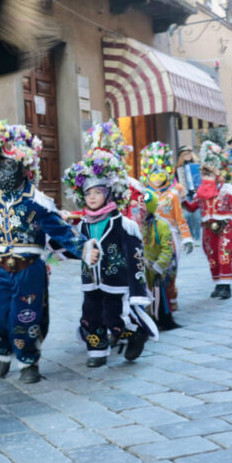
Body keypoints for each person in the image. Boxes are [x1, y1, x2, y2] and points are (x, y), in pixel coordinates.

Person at [0, 119, 97, 383]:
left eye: (9, 164)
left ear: (24, 166)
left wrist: (84, 248)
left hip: (29, 268)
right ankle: (2, 353)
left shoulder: (38, 202)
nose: (3, 170)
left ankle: (29, 361)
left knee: (25, 318)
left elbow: (61, 231)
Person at [63, 149, 158, 368]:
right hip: (90, 283)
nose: (92, 197)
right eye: (88, 194)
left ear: (108, 193)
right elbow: (71, 250)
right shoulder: (82, 225)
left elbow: (135, 260)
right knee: (89, 318)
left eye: (97, 192)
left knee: (113, 318)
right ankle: (97, 351)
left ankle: (134, 334)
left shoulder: (124, 225)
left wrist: (137, 292)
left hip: (115, 283)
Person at [183, 142, 232, 300]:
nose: (206, 178)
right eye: (204, 175)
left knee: (223, 254)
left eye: (209, 174)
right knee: (212, 257)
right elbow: (192, 208)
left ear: (218, 176)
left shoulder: (227, 190)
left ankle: (227, 286)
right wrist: (183, 199)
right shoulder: (200, 193)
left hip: (226, 227)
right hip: (207, 228)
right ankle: (218, 284)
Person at [140, 142, 193, 317]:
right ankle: (152, 301)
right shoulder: (143, 194)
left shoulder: (172, 195)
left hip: (169, 236)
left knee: (170, 270)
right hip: (147, 238)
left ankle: (171, 298)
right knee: (148, 270)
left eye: (161, 173)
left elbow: (180, 218)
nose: (157, 177)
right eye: (153, 173)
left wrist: (186, 237)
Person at [140, 189, 180, 329]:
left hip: (153, 268)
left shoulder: (161, 224)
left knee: (154, 294)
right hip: (139, 267)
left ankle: (154, 319)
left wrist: (158, 266)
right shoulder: (134, 224)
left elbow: (167, 248)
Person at [176, 145, 202, 242]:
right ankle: (191, 235)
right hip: (186, 193)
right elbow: (177, 182)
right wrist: (180, 190)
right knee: (187, 215)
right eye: (184, 155)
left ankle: (198, 237)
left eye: (188, 154)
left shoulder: (197, 165)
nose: (187, 156)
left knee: (197, 216)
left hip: (196, 193)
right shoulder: (179, 168)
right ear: (181, 157)